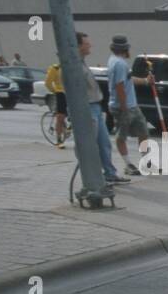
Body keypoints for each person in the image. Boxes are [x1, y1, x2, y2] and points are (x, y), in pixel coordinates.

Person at [75, 31, 124, 186]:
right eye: (86, 43)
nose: (90, 45)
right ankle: (94, 178)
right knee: (90, 145)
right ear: (78, 46)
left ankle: (110, 173)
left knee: (104, 143)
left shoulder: (82, 62)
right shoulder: (73, 65)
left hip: (95, 106)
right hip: (87, 109)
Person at [106, 34, 152, 177]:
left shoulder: (114, 61)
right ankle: (128, 165)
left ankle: (146, 162)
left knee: (143, 132)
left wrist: (145, 81)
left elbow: (127, 80)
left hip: (132, 105)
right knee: (122, 135)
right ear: (125, 49)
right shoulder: (119, 64)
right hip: (123, 106)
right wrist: (124, 107)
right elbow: (119, 86)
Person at [44, 59, 68, 148]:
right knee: (60, 117)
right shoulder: (55, 68)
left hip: (71, 94)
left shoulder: (72, 68)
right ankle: (59, 139)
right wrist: (54, 91)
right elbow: (48, 83)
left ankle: (68, 129)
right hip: (60, 93)